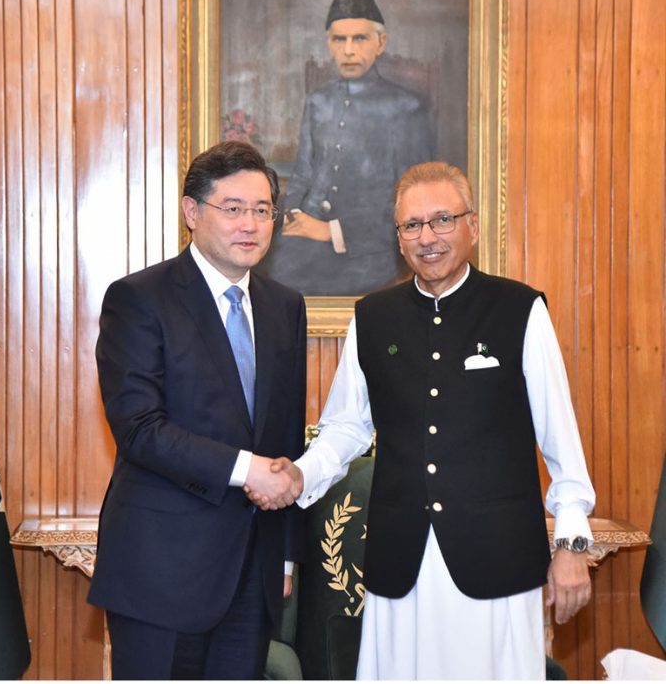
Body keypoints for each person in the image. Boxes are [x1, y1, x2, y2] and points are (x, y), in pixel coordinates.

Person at [251, 161, 596, 679]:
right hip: (401, 560)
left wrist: (571, 545)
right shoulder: (372, 317)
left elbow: (560, 441)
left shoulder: (520, 310)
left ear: (472, 226)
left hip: (497, 560)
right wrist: (301, 474)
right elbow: (347, 426)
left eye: (442, 220)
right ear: (398, 237)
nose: (427, 237)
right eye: (412, 225)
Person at [88, 141, 307, 680]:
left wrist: (282, 558)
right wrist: (248, 469)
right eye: (232, 208)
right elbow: (140, 429)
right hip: (161, 570)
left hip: (252, 574)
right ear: (192, 212)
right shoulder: (139, 298)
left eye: (262, 210)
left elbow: (285, 433)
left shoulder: (284, 305)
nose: (250, 224)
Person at [258, 0, 434, 295]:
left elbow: (413, 202)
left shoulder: (407, 107)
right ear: (329, 44)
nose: (349, 50)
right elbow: (302, 174)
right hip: (303, 241)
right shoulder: (318, 101)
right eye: (340, 39)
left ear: (381, 43)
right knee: (269, 281)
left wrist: (330, 231)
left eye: (360, 38)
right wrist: (292, 217)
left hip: (368, 252)